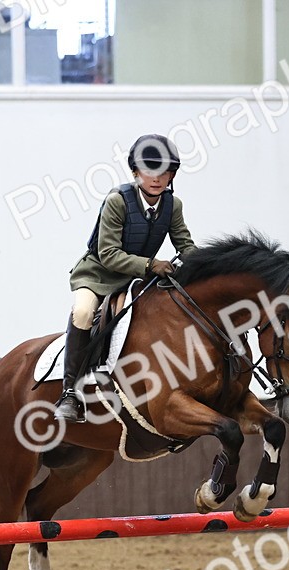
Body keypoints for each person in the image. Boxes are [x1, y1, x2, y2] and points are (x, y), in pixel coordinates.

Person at [55, 134, 197, 422]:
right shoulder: (117, 201)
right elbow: (108, 253)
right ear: (135, 172)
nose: (156, 178)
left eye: (163, 172)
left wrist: (208, 265)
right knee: (83, 312)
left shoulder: (173, 206)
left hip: (137, 279)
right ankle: (70, 392)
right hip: (98, 275)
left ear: (171, 175)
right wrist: (151, 264)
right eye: (148, 170)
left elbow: (185, 244)